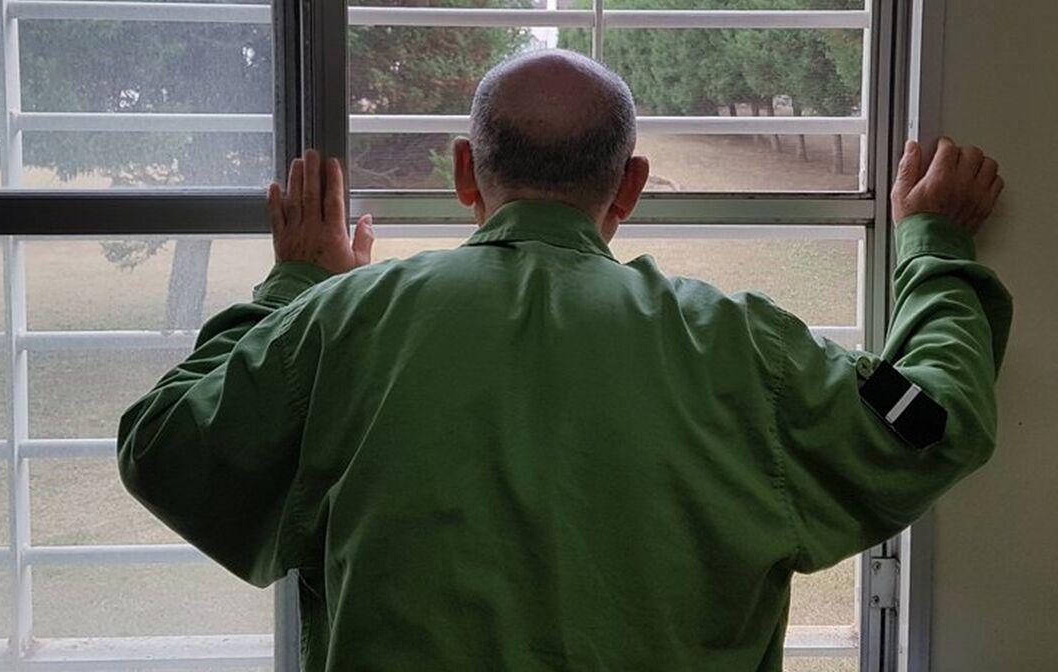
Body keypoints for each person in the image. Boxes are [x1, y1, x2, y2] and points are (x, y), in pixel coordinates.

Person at [118, 49, 1011, 671]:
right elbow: (931, 423)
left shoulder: (341, 325)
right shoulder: (743, 347)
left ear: (465, 172)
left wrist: (296, 284)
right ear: (631, 185)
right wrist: (932, 242)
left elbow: (164, 445)